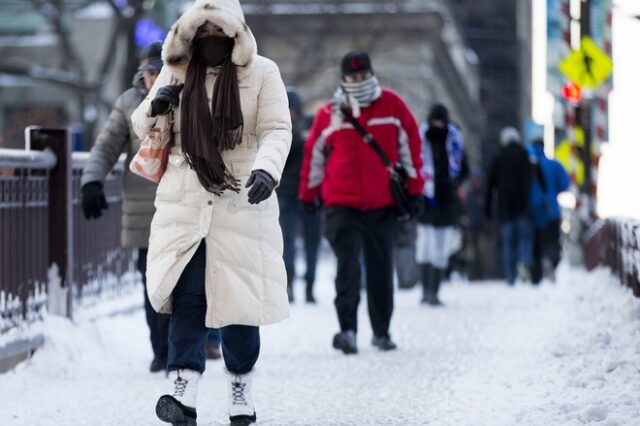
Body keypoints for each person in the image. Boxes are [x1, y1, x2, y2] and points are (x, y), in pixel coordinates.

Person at [131, 1, 291, 424]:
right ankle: (183, 391)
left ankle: (241, 389)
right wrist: (155, 105)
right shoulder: (178, 70)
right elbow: (140, 123)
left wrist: (267, 169)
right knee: (187, 296)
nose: (209, 42)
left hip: (241, 196)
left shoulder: (263, 73)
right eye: (200, 34)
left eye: (217, 34)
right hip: (184, 198)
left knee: (239, 301)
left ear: (235, 34)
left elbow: (276, 129)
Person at [299, 51, 424, 354]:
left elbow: (411, 147)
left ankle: (381, 331)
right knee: (348, 269)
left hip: (382, 204)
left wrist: (415, 188)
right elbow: (314, 157)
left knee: (381, 270)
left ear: (371, 74)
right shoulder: (329, 113)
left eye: (363, 76)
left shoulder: (392, 105)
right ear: (343, 79)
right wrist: (307, 195)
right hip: (341, 204)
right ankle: (348, 330)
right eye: (352, 78)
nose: (358, 82)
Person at [81, 41, 173, 373]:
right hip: (143, 211)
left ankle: (189, 345)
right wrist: (91, 181)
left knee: (187, 280)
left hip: (184, 208)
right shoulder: (129, 103)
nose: (154, 79)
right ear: (142, 75)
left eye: (159, 72)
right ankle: (161, 350)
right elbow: (106, 146)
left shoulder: (188, 99)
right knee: (152, 283)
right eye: (149, 73)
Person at [415, 104, 469, 306]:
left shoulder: (455, 140)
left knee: (441, 248)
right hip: (425, 201)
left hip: (446, 201)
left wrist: (454, 185)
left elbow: (464, 168)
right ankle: (425, 290)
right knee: (424, 246)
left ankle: (435, 291)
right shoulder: (420, 139)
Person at [277, 87, 321, 303]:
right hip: (287, 194)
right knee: (288, 242)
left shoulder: (310, 127)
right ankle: (290, 286)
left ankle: (310, 286)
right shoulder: (283, 130)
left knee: (311, 243)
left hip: (311, 194)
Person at [485, 127, 535, 285]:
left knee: (508, 242)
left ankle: (511, 276)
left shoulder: (498, 157)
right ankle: (525, 262)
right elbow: (530, 180)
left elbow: (490, 185)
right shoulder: (524, 154)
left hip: (505, 207)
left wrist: (487, 209)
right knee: (525, 239)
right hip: (523, 206)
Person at [527, 137, 570, 283]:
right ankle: (550, 260)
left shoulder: (527, 165)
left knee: (536, 243)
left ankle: (537, 274)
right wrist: (553, 191)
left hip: (532, 212)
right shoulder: (554, 165)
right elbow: (565, 183)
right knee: (552, 241)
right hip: (551, 210)